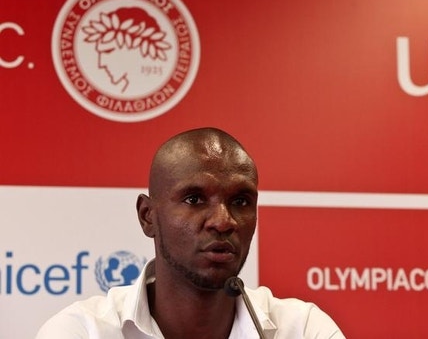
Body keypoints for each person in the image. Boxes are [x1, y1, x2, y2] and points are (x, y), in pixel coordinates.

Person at [36, 127, 345, 339]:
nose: (223, 221)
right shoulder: (83, 331)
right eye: (194, 199)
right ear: (147, 216)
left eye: (240, 201)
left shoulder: (302, 329)